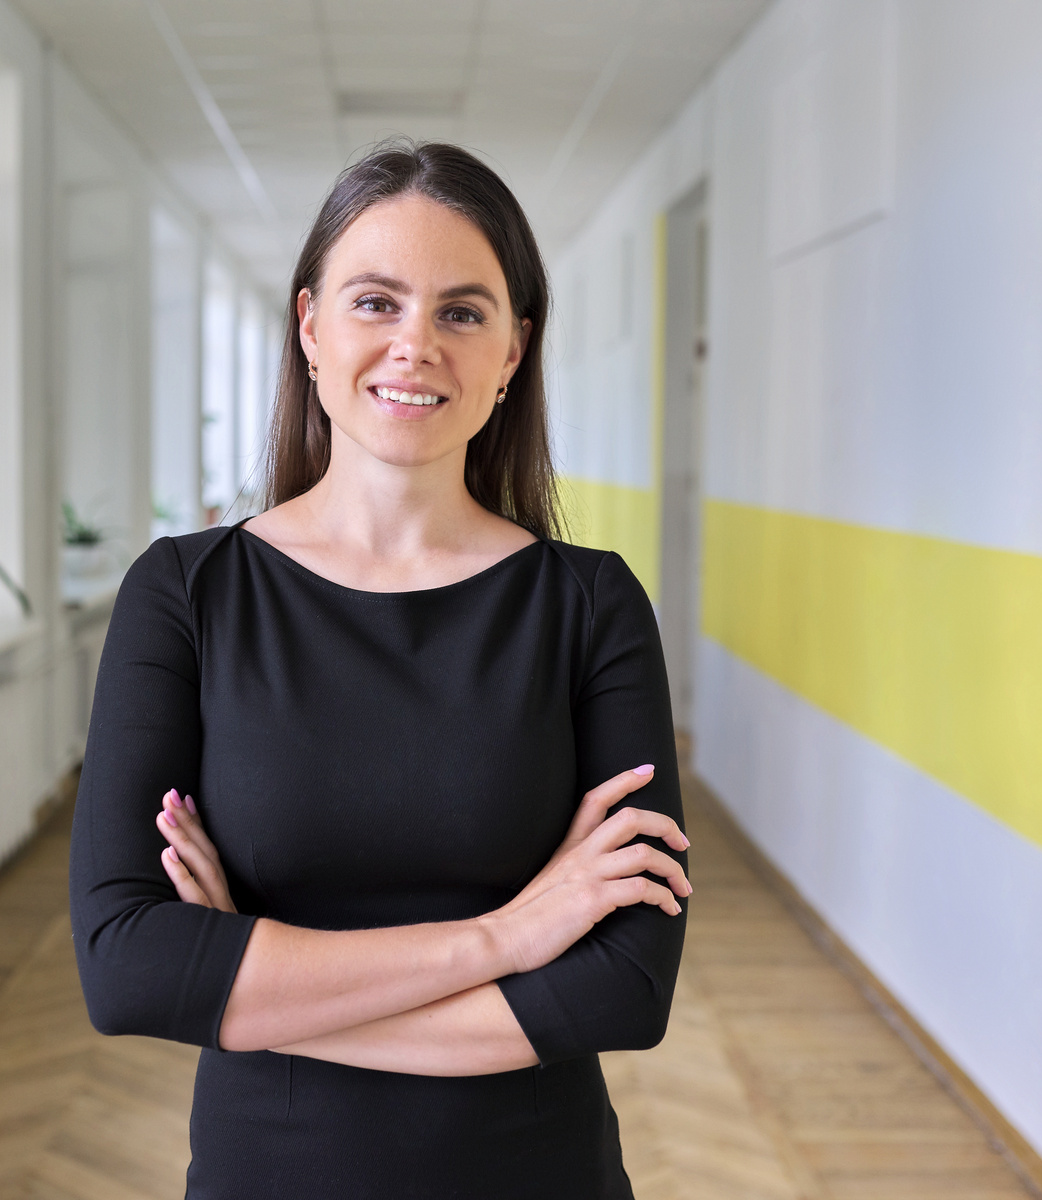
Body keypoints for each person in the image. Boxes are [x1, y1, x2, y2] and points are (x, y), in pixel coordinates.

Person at [69, 140, 691, 1199]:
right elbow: (127, 965)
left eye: (461, 311)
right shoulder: (186, 595)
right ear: (311, 327)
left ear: (512, 352)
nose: (415, 345)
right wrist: (507, 936)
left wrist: (250, 979)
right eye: (375, 302)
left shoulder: (591, 606)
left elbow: (626, 990)